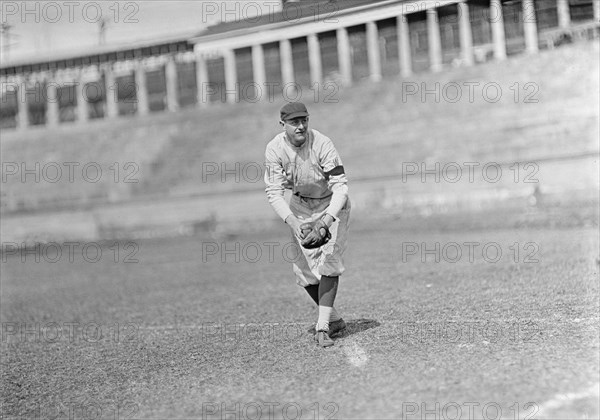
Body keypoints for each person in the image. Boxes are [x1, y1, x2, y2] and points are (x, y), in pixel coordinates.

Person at [264, 102, 351, 348]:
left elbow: (341, 187)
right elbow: (273, 192)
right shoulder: (274, 149)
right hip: (300, 206)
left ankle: (322, 326)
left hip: (331, 203)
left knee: (329, 263)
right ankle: (333, 319)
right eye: (294, 122)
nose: (300, 126)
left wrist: (326, 221)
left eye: (304, 120)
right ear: (283, 125)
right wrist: (292, 222)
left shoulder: (322, 143)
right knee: (304, 273)